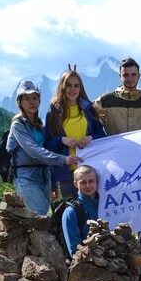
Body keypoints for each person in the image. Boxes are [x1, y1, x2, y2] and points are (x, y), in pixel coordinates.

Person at [94, 57, 141, 257]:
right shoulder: (105, 100)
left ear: (139, 76)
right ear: (120, 76)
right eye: (126, 75)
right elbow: (87, 117)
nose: (130, 78)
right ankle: (118, 255)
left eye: (133, 75)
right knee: (118, 209)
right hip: (115, 167)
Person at [6, 80, 82, 215]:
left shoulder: (40, 125)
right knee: (40, 213)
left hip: (44, 176)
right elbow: (34, 150)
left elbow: (48, 146)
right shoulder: (18, 125)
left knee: (44, 215)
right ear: (20, 102)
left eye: (35, 98)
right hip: (26, 177)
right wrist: (63, 159)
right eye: (27, 99)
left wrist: (52, 181)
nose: (32, 102)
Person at [45, 68, 106, 199]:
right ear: (62, 86)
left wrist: (91, 137)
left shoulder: (89, 110)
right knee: (70, 207)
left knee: (93, 211)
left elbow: (103, 138)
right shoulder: (53, 114)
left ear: (81, 88)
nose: (72, 89)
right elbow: (48, 146)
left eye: (76, 85)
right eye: (68, 85)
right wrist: (61, 140)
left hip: (90, 171)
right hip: (65, 173)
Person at [62, 165, 99, 257]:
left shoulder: (108, 204)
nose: (88, 186)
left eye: (91, 181)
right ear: (75, 184)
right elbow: (74, 250)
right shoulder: (71, 212)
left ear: (97, 181)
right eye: (83, 182)